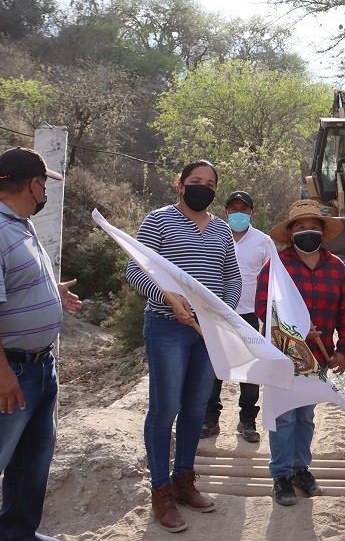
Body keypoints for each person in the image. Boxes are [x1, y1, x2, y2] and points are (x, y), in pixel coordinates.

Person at [0, 146, 82, 541]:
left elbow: (8, 281)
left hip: (38, 367)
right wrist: (0, 372)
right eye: (45, 185)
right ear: (33, 184)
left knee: (31, 460)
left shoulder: (16, 222)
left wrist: (47, 290)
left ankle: (16, 534)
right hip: (5, 370)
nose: (46, 194)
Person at [126, 160, 243, 532]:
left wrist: (220, 315)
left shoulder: (223, 231)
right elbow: (135, 271)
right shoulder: (158, 221)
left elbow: (232, 277)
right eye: (196, 181)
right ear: (180, 185)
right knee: (164, 410)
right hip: (166, 328)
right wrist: (168, 298)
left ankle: (183, 480)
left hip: (207, 334)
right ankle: (159, 491)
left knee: (195, 408)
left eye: (210, 183)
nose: (203, 188)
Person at [255, 200, 345, 506]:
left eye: (313, 226)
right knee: (284, 416)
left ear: (323, 232)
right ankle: (281, 477)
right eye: (301, 226)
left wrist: (343, 350)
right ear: (290, 233)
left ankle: (301, 470)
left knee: (306, 417)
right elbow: (264, 307)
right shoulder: (276, 266)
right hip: (283, 357)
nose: (307, 231)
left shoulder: (336, 267)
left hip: (317, 359)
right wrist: (294, 329)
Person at [201, 191, 274, 443]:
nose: (238, 214)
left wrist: (270, 317)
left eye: (244, 209)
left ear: (252, 213)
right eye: (233, 209)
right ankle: (210, 419)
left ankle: (247, 420)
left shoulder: (263, 242)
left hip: (250, 315)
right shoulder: (214, 236)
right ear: (225, 213)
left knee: (251, 371)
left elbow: (273, 281)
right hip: (216, 314)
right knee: (212, 369)